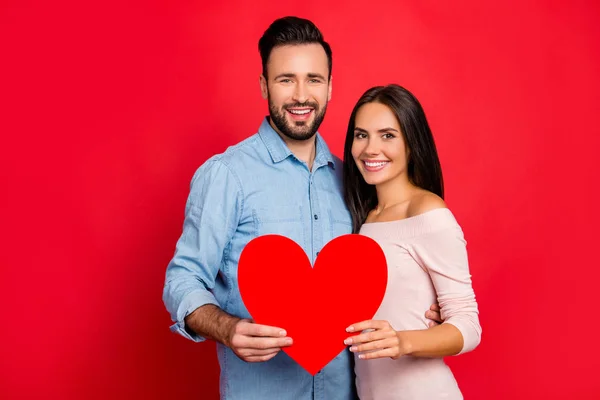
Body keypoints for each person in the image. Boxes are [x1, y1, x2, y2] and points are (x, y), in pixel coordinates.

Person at [162, 17, 443, 400]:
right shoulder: (226, 175)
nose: (300, 95)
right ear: (264, 86)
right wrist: (227, 328)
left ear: (329, 87)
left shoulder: (355, 181)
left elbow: (378, 270)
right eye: (285, 79)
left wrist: (423, 309)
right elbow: (182, 279)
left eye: (313, 79)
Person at [341, 84, 482, 399]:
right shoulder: (362, 219)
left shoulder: (428, 213)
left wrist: (403, 341)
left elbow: (469, 327)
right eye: (361, 135)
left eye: (388, 135)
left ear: (411, 143)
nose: (370, 149)